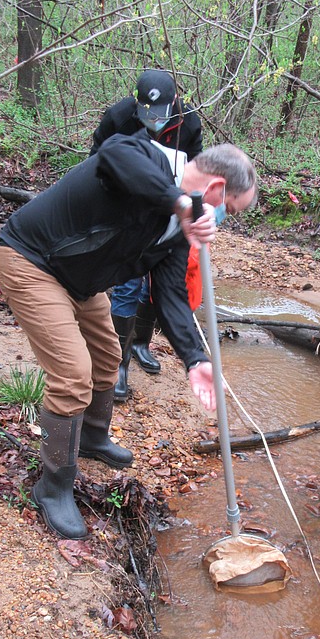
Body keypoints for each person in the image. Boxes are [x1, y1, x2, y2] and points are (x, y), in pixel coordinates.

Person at [0, 131, 257, 539]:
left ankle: (93, 437)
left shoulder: (175, 232)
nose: (223, 220)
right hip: (31, 261)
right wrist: (183, 203)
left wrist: (195, 359)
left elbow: (169, 297)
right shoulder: (145, 157)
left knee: (106, 357)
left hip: (81, 282)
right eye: (230, 211)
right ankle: (53, 487)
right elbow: (113, 155)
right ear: (217, 189)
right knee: (72, 374)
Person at [90, 69, 203, 401]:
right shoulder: (120, 116)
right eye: (146, 111)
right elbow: (97, 160)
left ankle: (140, 343)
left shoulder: (189, 124)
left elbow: (193, 173)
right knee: (127, 284)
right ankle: (119, 364)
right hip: (126, 209)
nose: (152, 119)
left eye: (160, 113)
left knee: (159, 284)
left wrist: (189, 216)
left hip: (168, 209)